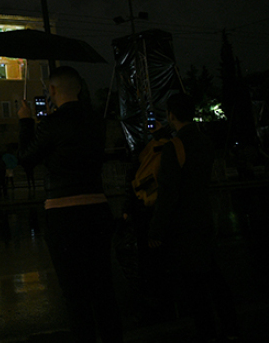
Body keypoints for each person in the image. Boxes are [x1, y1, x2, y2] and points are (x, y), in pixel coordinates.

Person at [18, 66, 123, 343]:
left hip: (63, 212)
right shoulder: (96, 121)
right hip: (97, 207)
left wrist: (26, 122)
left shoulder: (52, 124)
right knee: (103, 287)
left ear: (52, 91)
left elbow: (26, 158)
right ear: (78, 88)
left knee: (74, 292)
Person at [148, 93, 238, 341]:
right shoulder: (204, 141)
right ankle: (230, 326)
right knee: (213, 275)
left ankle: (206, 331)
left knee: (194, 286)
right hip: (203, 217)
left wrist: (156, 230)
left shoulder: (173, 147)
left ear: (171, 115)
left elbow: (168, 194)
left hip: (183, 225)